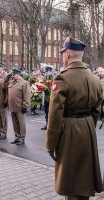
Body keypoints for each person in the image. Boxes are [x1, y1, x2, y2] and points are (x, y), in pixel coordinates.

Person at [45, 37, 103, 200]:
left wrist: (50, 144)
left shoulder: (63, 78)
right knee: (84, 177)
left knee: (70, 180)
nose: (63, 56)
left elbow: (55, 114)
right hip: (87, 128)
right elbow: (96, 110)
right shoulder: (95, 79)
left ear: (68, 53)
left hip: (68, 131)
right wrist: (87, 125)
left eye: (63, 53)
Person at [6, 69, 30, 145]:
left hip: (19, 107)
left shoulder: (24, 83)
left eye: (13, 75)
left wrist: (25, 106)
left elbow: (26, 95)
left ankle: (22, 138)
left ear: (18, 75)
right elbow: (4, 85)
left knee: (21, 123)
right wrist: (7, 77)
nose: (12, 76)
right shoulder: (11, 82)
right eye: (12, 75)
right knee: (15, 123)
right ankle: (17, 136)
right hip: (12, 106)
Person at [41, 66, 54, 130]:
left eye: (46, 72)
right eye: (45, 72)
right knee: (46, 111)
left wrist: (48, 87)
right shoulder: (44, 78)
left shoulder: (53, 78)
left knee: (51, 112)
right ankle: (47, 124)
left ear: (50, 71)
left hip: (52, 98)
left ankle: (51, 125)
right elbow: (42, 85)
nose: (45, 73)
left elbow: (54, 88)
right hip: (46, 97)